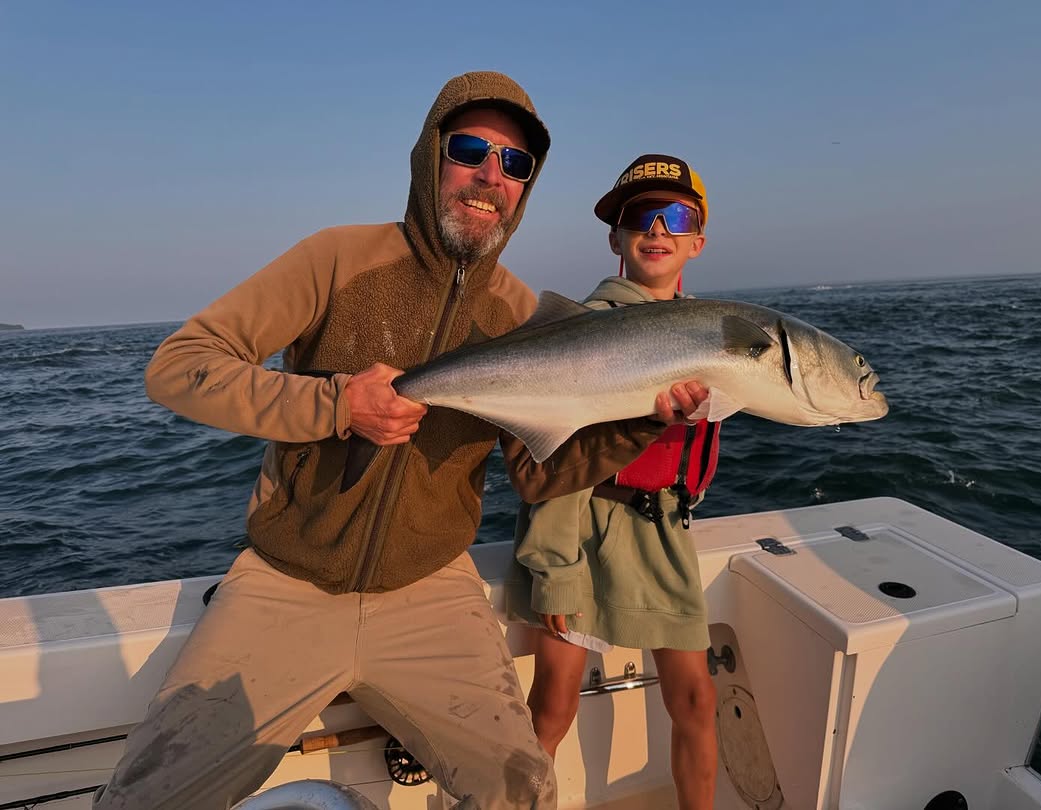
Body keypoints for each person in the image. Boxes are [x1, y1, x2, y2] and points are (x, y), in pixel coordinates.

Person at [92, 75, 709, 810]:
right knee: (146, 800)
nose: (490, 177)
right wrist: (335, 404)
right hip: (286, 582)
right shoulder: (337, 258)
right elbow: (180, 367)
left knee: (526, 794)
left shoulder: (520, 313)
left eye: (515, 166)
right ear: (430, 156)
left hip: (431, 588)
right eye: (472, 150)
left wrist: (647, 422)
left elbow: (541, 478)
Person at [507, 154, 720, 809]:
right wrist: (554, 566)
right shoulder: (582, 327)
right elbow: (558, 463)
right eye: (638, 216)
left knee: (696, 702)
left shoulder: (712, 329)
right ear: (615, 238)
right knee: (553, 706)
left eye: (675, 215)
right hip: (582, 525)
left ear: (696, 241)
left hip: (665, 529)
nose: (656, 227)